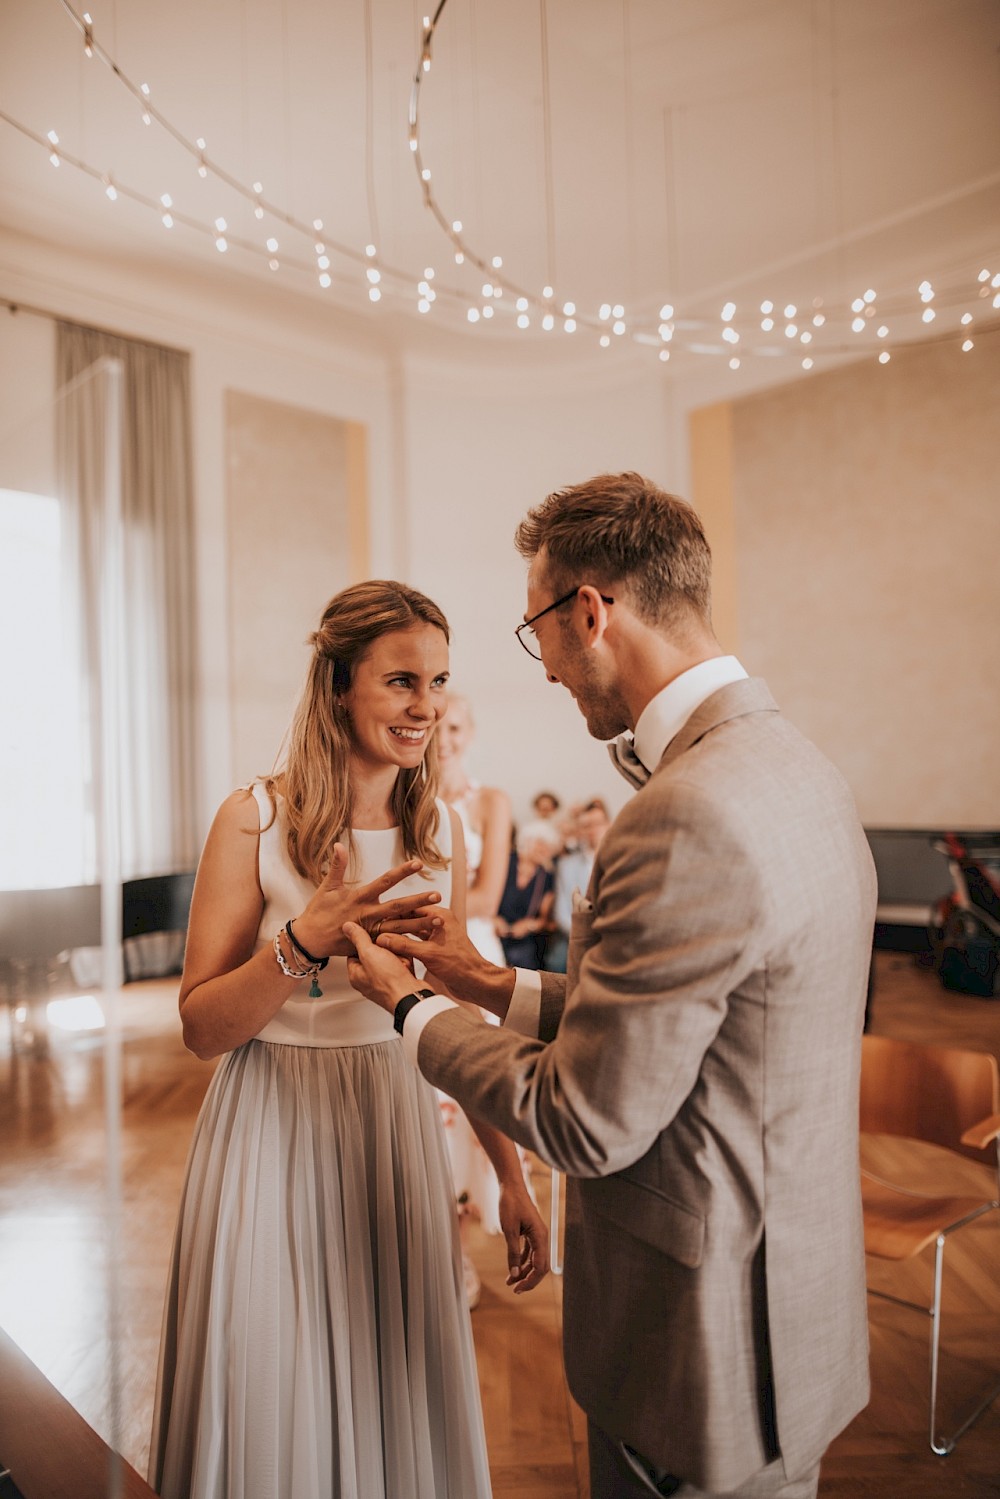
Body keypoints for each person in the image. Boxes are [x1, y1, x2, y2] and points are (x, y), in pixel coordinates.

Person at [343, 475, 877, 1499]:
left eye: (534, 628)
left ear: (588, 610)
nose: (543, 666)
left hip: (701, 1348)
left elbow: (585, 1119)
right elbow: (700, 1029)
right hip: (790, 1311)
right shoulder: (797, 765)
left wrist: (410, 1004)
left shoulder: (683, 810)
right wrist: (489, 981)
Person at [148, 580, 547, 1499]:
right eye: (402, 681)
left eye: (438, 682)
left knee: (390, 1364)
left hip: (396, 1120)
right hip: (270, 1125)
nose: (427, 707)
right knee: (267, 1368)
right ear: (336, 683)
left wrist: (513, 1179)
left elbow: (458, 1012)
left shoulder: (438, 827)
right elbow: (202, 1027)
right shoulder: (251, 817)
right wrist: (297, 946)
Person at [435, 691, 521, 1301]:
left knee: (467, 1090)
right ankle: (427, 1244)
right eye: (436, 723)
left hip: (476, 952)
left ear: (471, 732)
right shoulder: (399, 800)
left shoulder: (490, 803)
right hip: (413, 958)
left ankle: (460, 1253)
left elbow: (490, 898)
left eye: (455, 725)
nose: (444, 735)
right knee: (423, 1102)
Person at [543, 799, 611, 973]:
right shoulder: (566, 864)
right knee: (555, 963)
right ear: (580, 830)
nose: (593, 830)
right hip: (573, 936)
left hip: (611, 934)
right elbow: (561, 912)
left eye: (597, 823)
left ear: (608, 825)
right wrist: (585, 936)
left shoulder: (621, 861)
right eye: (586, 825)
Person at [495, 832, 555, 969]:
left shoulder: (546, 877)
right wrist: (493, 919)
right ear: (527, 842)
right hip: (493, 928)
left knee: (524, 963)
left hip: (522, 938)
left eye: (549, 847)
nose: (545, 850)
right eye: (541, 845)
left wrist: (529, 925)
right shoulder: (505, 862)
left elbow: (545, 920)